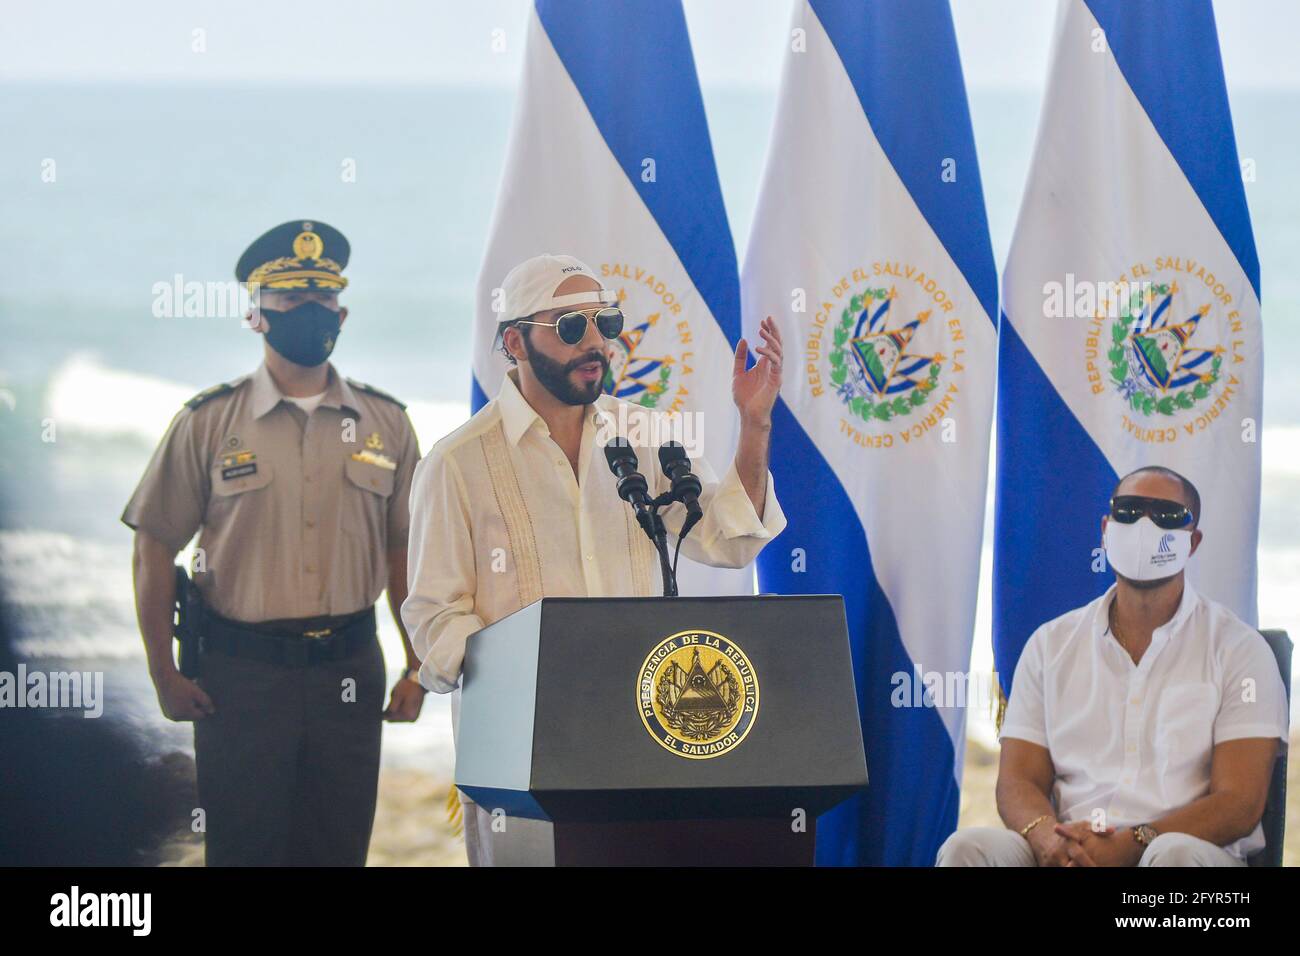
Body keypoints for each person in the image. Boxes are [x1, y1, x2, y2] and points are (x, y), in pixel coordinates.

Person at [402, 253, 787, 865]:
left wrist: (755, 424)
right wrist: (525, 677)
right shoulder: (457, 464)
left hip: (646, 742)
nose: (596, 344)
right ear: (514, 342)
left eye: (605, 325)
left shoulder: (649, 436)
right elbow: (434, 618)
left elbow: (729, 537)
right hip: (522, 758)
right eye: (570, 327)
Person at [123, 220, 425, 866]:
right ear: (256, 316)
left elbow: (404, 554)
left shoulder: (389, 424)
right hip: (240, 679)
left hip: (348, 671)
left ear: (342, 312)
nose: (309, 311)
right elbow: (154, 545)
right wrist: (162, 671)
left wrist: (417, 664)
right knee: (242, 852)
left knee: (337, 850)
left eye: (322, 299)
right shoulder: (208, 422)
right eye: (291, 299)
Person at [937, 465, 1288, 867]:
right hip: (1071, 844)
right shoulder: (1051, 644)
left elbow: (1239, 802)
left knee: (1173, 855)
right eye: (1128, 511)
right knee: (969, 849)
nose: (1143, 524)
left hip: (1182, 848)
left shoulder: (1239, 650)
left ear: (1192, 542)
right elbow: (1018, 780)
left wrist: (1134, 843)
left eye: (1166, 516)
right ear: (1106, 528)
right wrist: (1050, 838)